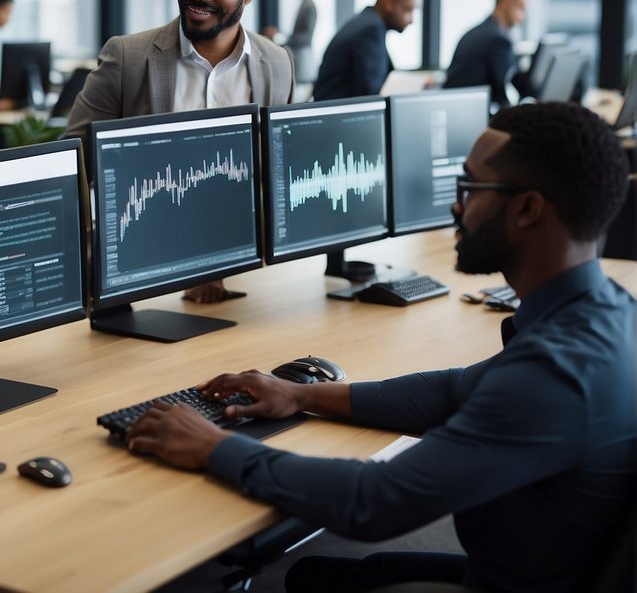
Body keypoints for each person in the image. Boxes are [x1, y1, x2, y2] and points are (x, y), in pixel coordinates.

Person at [125, 101, 636, 593]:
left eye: (470, 186)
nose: (456, 203)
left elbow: (374, 502)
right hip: (548, 572)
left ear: (527, 209)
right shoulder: (606, 314)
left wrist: (214, 446)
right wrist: (302, 395)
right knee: (317, 576)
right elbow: (455, 390)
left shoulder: (554, 373)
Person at [66, 0, 294, 303]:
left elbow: (274, 176)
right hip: (139, 277)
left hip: (245, 277)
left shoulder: (277, 63)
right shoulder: (129, 57)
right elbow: (73, 170)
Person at [312, 0, 422, 101]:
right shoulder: (371, 30)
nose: (412, 20)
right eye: (408, 9)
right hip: (340, 117)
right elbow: (372, 95)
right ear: (389, 3)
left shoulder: (366, 22)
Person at [443, 0, 530, 106]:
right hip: (470, 109)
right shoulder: (497, 39)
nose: (523, 17)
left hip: (457, 105)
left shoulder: (481, 31)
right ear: (507, 2)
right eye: (521, 8)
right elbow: (506, 86)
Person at [262, 0, 318, 84]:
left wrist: (280, 38)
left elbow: (305, 38)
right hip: (299, 58)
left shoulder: (308, 5)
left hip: (303, 61)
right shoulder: (303, 3)